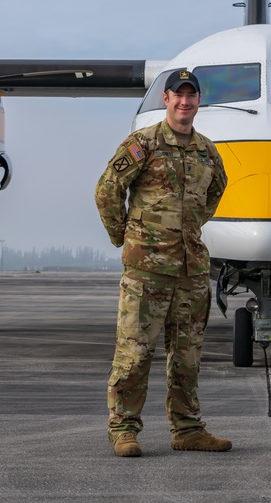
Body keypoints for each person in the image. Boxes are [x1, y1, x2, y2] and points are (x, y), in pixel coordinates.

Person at [94, 69, 230, 458]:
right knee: (135, 353)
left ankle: (187, 429)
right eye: (178, 95)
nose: (185, 102)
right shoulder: (144, 143)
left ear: (198, 102)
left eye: (192, 96)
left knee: (186, 357)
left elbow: (215, 192)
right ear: (166, 99)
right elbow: (107, 190)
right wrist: (126, 236)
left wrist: (189, 228)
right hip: (146, 271)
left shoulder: (207, 151)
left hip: (191, 272)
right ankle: (123, 429)